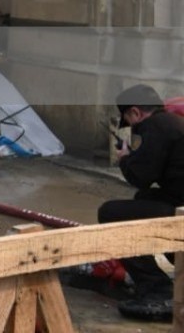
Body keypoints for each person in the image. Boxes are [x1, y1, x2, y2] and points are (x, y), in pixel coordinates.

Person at [97, 83, 184, 322]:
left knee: (110, 213)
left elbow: (141, 176)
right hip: (179, 203)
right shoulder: (172, 123)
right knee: (144, 200)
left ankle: (157, 289)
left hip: (181, 212)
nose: (133, 129)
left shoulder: (155, 126)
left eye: (129, 120)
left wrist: (125, 159)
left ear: (135, 112)